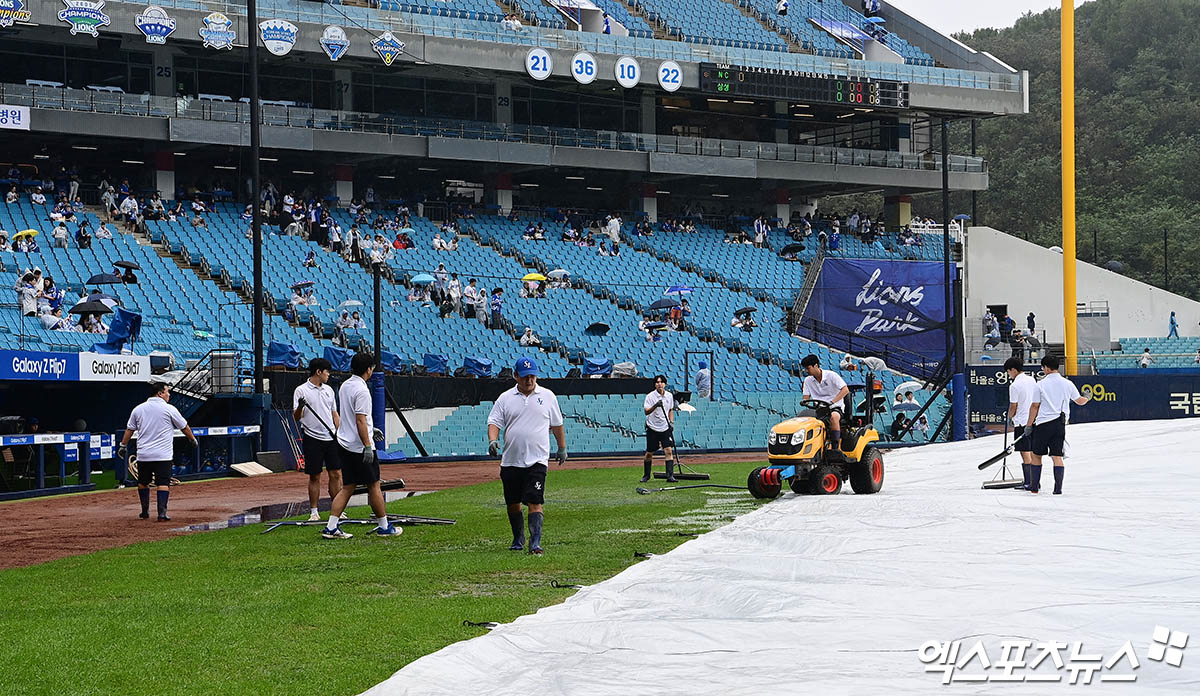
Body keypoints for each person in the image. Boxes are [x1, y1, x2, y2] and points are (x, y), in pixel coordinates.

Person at [486, 357, 566, 555]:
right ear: (516, 376)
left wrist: (562, 447)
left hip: (537, 459)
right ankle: (518, 537)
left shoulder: (548, 396)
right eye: (524, 377)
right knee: (513, 502)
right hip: (511, 459)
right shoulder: (505, 398)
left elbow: (557, 424)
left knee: (534, 500)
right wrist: (492, 440)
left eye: (532, 376)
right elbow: (494, 422)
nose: (529, 380)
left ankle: (535, 542)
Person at [322, 352, 400, 538]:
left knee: (348, 486)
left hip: (345, 443)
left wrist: (370, 431)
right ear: (368, 369)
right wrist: (367, 444)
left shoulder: (345, 386)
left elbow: (351, 418)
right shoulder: (362, 390)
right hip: (359, 446)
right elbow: (360, 420)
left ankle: (331, 527)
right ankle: (384, 526)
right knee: (374, 485)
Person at [119, 382, 198, 521]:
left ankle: (144, 512)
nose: (169, 395)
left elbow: (129, 429)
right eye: (167, 392)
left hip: (144, 455)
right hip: (163, 455)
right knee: (163, 483)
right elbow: (184, 426)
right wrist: (192, 439)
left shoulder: (139, 409)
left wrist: (123, 446)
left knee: (143, 482)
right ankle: (162, 513)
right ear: (160, 393)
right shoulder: (169, 409)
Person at [1028, 354, 1090, 495]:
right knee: (1057, 456)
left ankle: (1034, 487)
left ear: (1047, 368)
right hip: (1060, 424)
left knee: (1036, 455)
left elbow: (1034, 406)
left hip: (1043, 423)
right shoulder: (1067, 383)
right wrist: (1087, 397)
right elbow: (1079, 401)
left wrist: (1029, 424)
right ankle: (1058, 489)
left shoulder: (1040, 384)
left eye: (1043, 367)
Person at [293, 358, 342, 522]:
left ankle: (337, 508)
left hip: (331, 437)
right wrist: (300, 406)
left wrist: (338, 431)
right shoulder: (301, 390)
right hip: (312, 437)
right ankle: (314, 511)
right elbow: (296, 417)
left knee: (335, 473)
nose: (329, 375)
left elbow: (334, 413)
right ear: (318, 372)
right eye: (327, 371)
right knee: (314, 475)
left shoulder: (329, 390)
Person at [1005, 356, 1040, 491]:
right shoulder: (1032, 380)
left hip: (1021, 421)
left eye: (1008, 372)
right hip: (1032, 419)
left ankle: (1029, 482)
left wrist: (1010, 416)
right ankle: (1034, 480)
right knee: (1031, 451)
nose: (1009, 374)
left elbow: (1013, 405)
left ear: (1013, 370)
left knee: (1025, 452)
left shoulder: (1014, 385)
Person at [800, 354, 850, 451]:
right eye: (805, 368)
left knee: (834, 417)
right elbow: (806, 397)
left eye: (808, 368)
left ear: (816, 365)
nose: (806, 371)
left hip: (835, 407)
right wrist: (805, 402)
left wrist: (832, 402)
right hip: (819, 408)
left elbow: (845, 390)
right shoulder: (808, 380)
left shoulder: (831, 375)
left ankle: (835, 448)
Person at [641, 375, 676, 483]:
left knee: (668, 451)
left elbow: (670, 410)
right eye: (657, 382)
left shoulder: (669, 396)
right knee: (649, 453)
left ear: (665, 384)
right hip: (653, 427)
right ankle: (646, 475)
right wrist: (656, 405)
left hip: (665, 427)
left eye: (661, 382)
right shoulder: (650, 396)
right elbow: (646, 411)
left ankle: (670, 476)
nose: (659, 384)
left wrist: (671, 422)